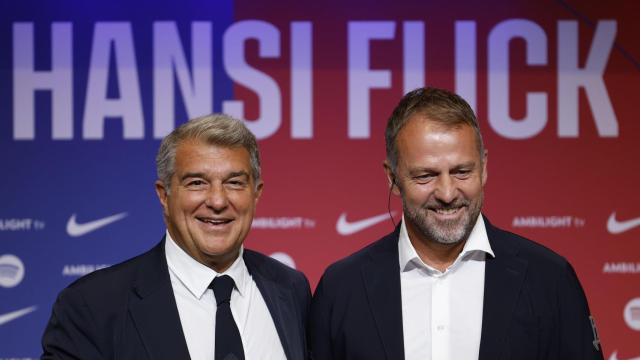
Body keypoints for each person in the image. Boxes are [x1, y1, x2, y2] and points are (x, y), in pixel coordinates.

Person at [309, 87, 603, 360]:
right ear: (393, 177)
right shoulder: (342, 288)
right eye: (426, 175)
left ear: (484, 167)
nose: (447, 193)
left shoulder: (550, 279)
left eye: (462, 171)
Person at [42, 114, 311, 360]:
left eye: (234, 182)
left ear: (256, 193)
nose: (217, 200)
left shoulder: (291, 289)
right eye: (197, 183)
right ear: (164, 195)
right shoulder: (92, 306)